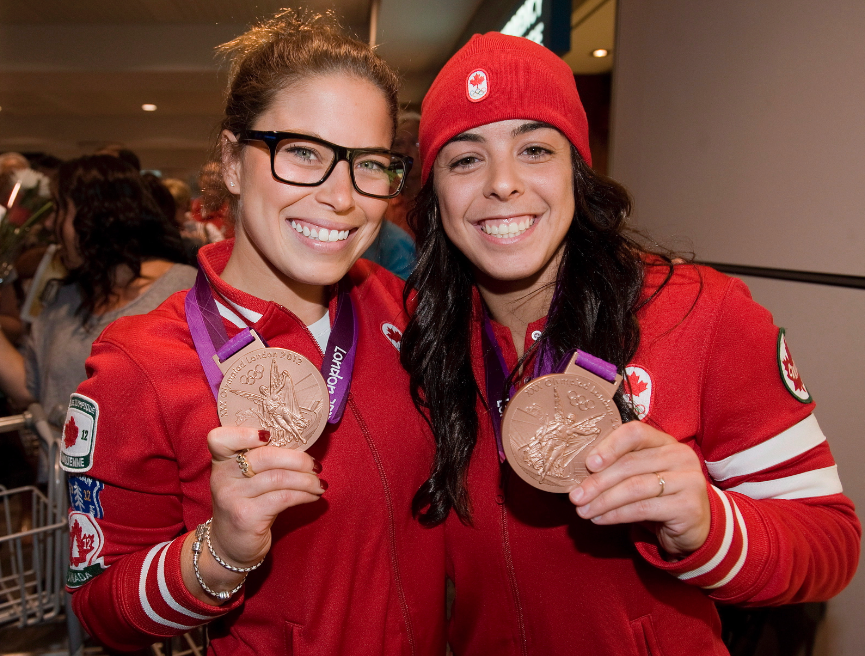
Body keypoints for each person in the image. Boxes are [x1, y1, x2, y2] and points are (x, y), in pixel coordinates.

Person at [400, 33, 860, 655]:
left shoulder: (701, 312)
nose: (502, 184)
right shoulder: (423, 337)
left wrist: (705, 524)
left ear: (577, 171)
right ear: (435, 192)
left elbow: (831, 543)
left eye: (535, 149)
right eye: (465, 159)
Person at [63, 11, 444, 655]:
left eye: (370, 163)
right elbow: (101, 608)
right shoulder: (141, 362)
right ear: (233, 162)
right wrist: (219, 552)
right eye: (303, 153)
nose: (341, 196)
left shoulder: (406, 308)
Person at [0, 155, 197, 426]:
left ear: (96, 214)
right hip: (60, 466)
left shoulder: (181, 292)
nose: (48, 224)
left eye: (59, 209)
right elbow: (29, 387)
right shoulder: (66, 297)